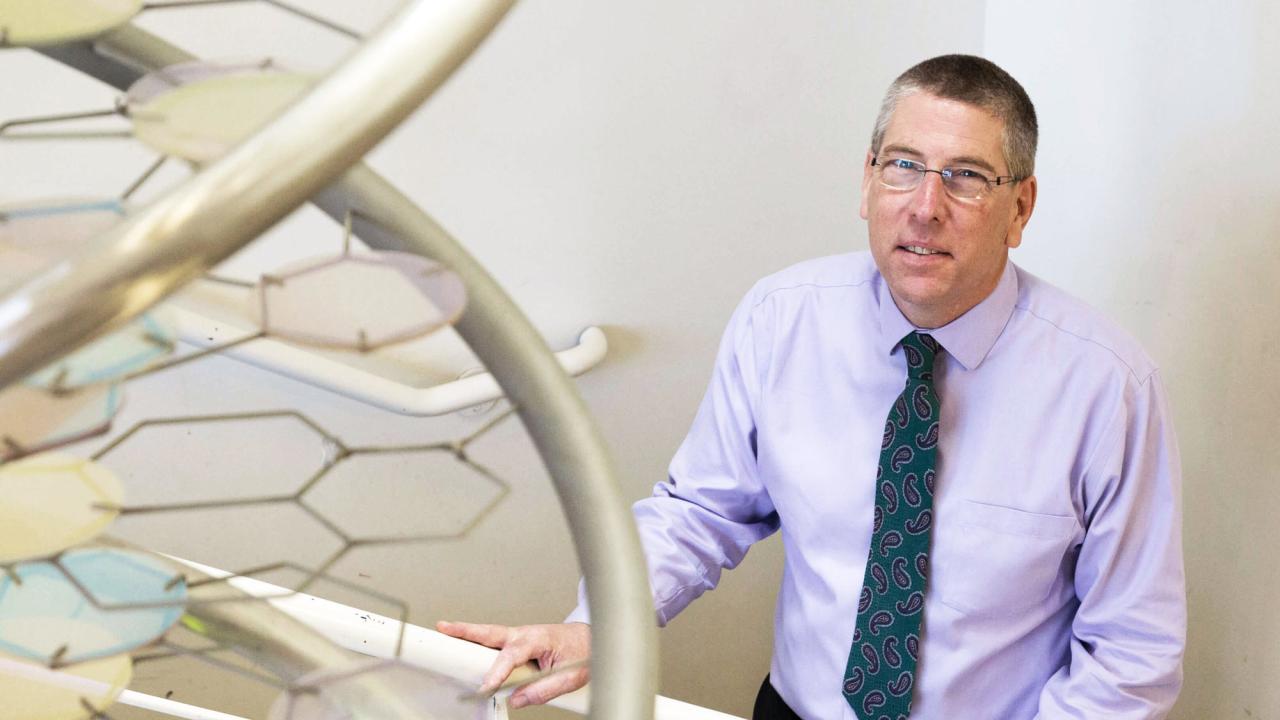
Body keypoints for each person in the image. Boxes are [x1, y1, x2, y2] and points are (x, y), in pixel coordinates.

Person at [439, 54, 1185, 719]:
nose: (926, 205)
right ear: (867, 182)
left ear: (1019, 208)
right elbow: (701, 510)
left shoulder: (1105, 386)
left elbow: (1132, 649)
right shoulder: (782, 320)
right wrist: (599, 625)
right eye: (903, 165)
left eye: (966, 176)